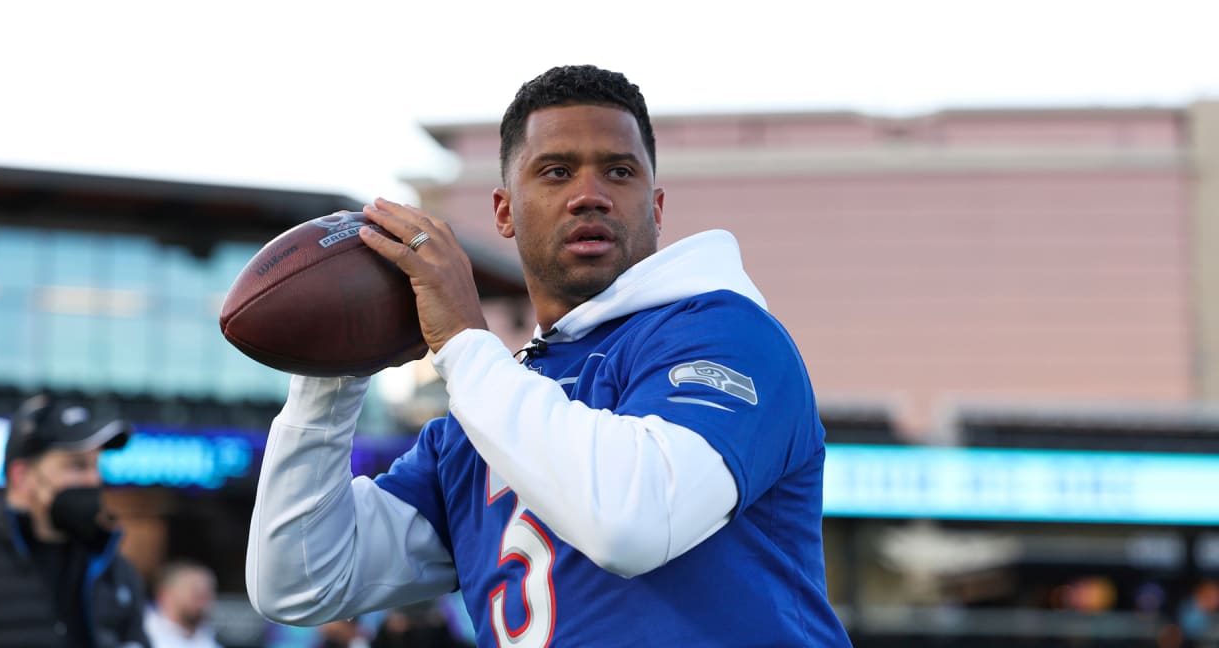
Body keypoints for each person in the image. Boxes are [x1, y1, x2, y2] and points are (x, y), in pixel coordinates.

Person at [246, 65, 852, 646]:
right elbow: (302, 582)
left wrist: (461, 339)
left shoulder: (729, 333)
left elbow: (631, 523)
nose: (590, 195)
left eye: (618, 172)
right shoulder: (482, 414)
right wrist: (335, 368)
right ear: (505, 211)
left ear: (657, 209)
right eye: (557, 172)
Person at [0, 394, 150, 647]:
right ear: (22, 477)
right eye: (77, 466)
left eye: (96, 466)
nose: (94, 480)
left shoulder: (114, 570)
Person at [144, 560, 222, 648]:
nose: (204, 599)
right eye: (195, 591)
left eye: (208, 592)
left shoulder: (208, 637)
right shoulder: (142, 634)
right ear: (165, 596)